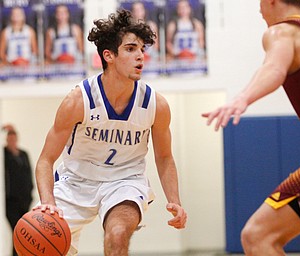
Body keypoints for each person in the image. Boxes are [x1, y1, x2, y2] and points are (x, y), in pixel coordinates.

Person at [33, 9, 187, 256]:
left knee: (116, 234)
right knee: (36, 244)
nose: (140, 56)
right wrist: (48, 202)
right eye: (130, 49)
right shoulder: (78, 101)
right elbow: (45, 160)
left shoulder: (155, 105)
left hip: (124, 180)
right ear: (109, 55)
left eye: (141, 50)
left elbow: (165, 157)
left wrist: (175, 200)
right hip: (75, 182)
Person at [202, 0, 300, 255]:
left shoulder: (283, 31)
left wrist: (242, 98)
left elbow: (274, 68)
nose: (258, 9)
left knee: (258, 236)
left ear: (272, 1)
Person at [3, 124, 33, 256]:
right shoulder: (4, 154)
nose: (12, 141)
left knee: (22, 232)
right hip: (10, 201)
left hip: (24, 200)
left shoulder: (23, 154)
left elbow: (28, 173)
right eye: (9, 139)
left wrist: (30, 192)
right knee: (17, 231)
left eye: (14, 138)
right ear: (6, 140)